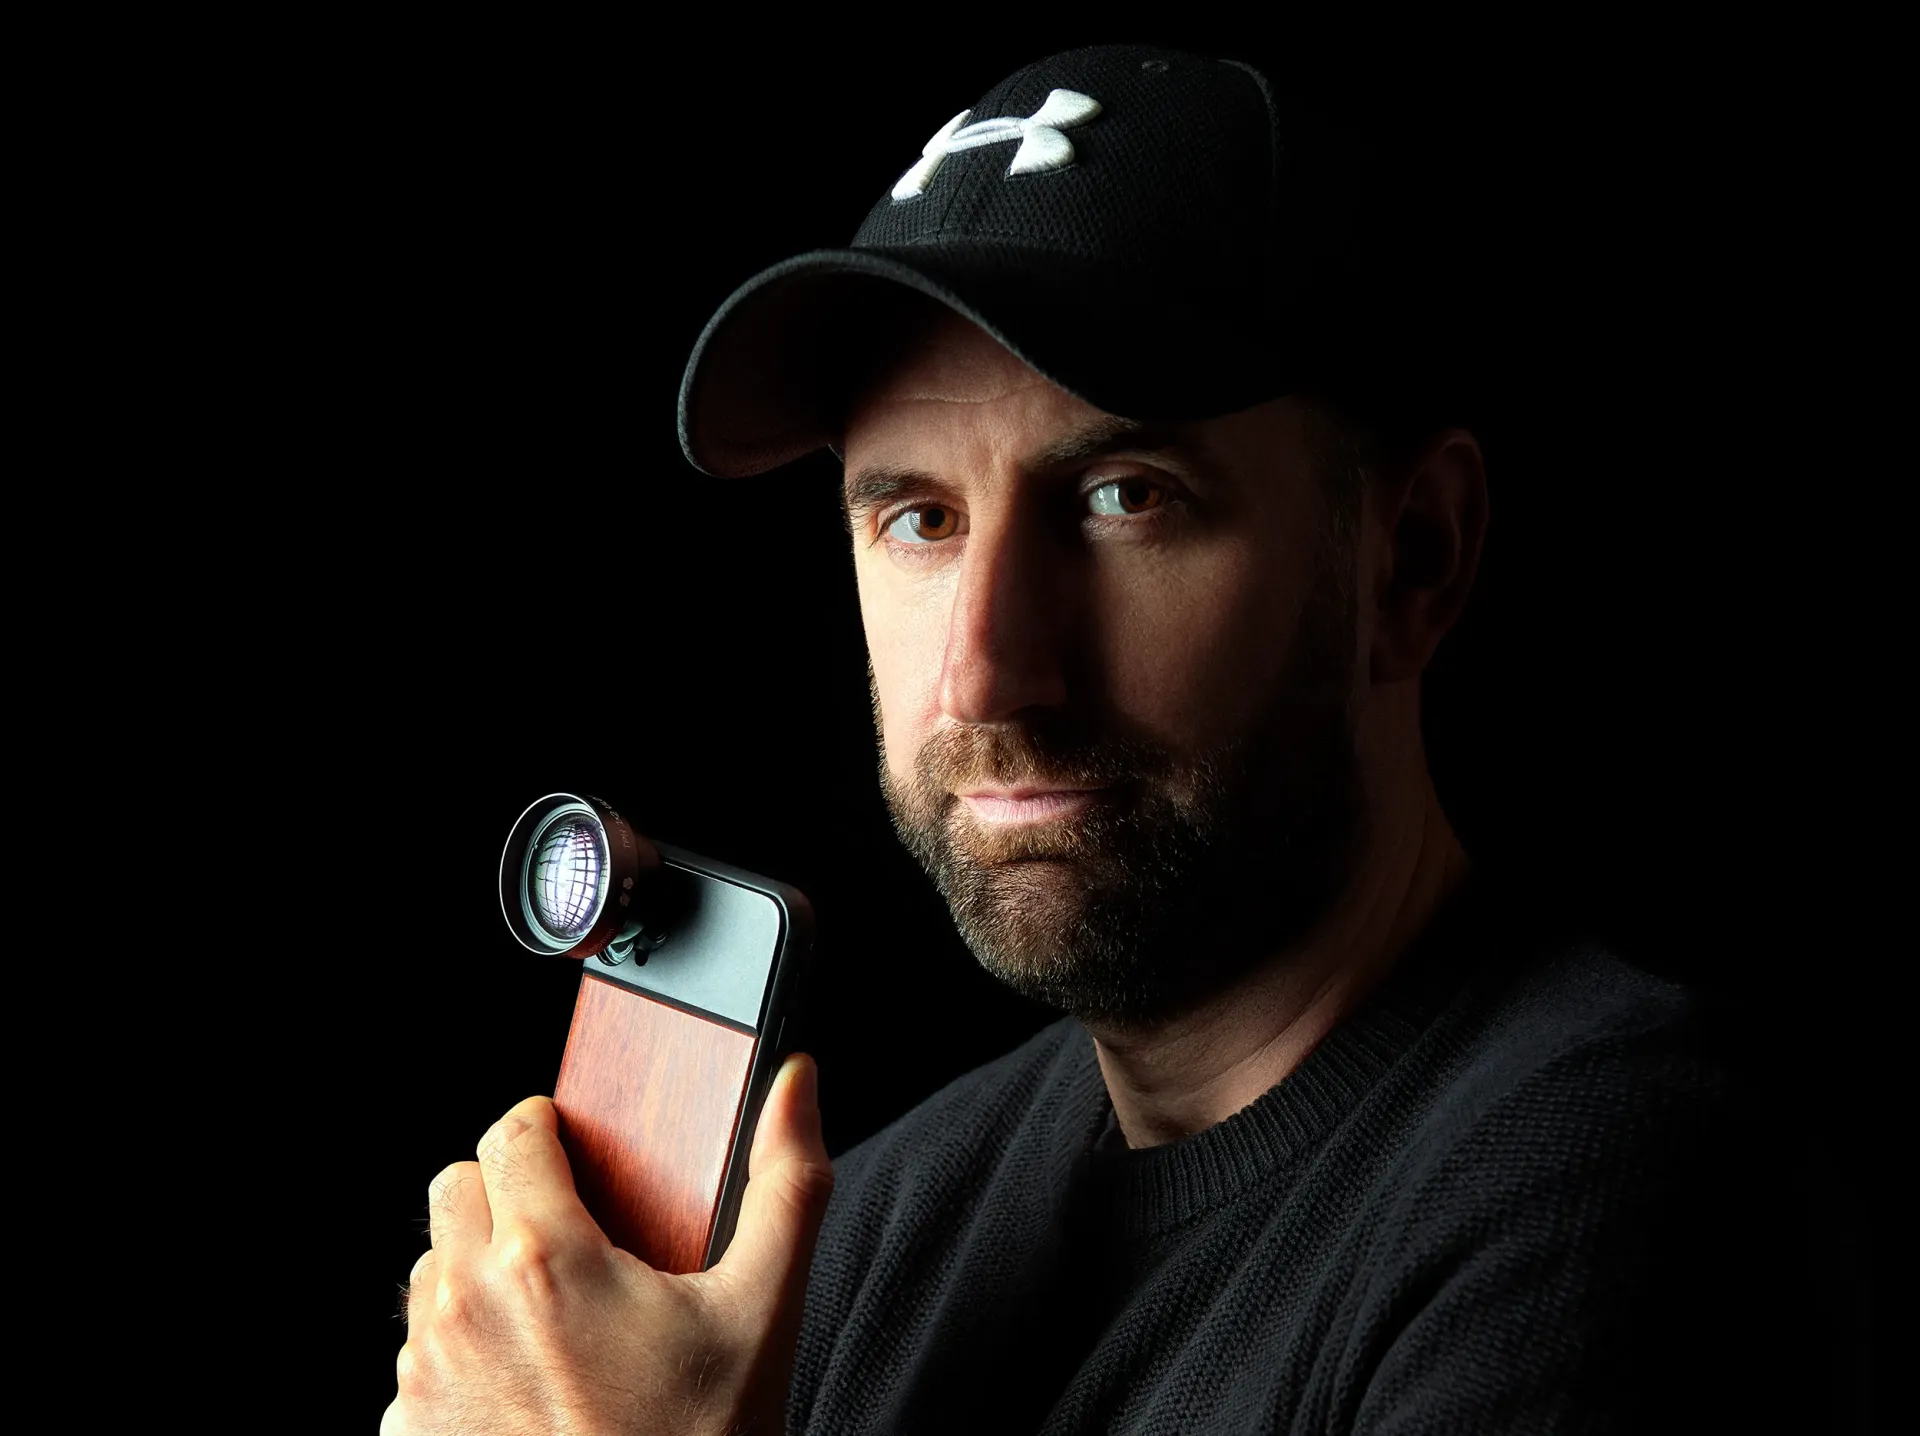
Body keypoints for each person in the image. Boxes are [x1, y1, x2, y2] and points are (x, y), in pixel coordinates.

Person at [384, 44, 1844, 1434]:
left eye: (1123, 498)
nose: (987, 675)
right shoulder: (870, 1231)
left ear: (1414, 560)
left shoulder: (1607, 1198)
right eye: (920, 519)